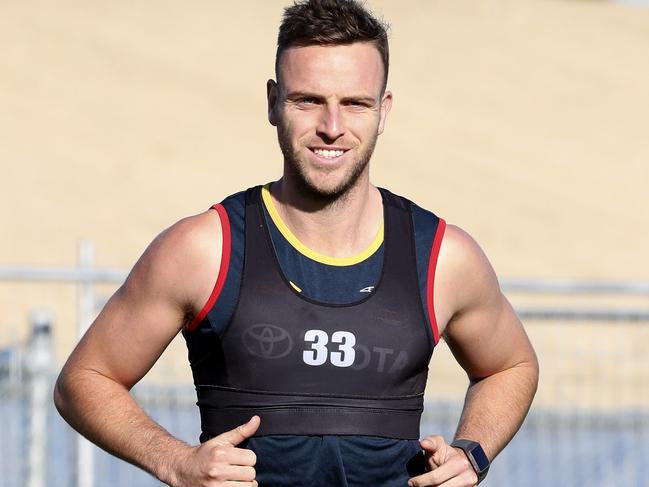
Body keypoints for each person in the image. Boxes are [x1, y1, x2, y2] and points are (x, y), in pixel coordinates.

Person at [54, 0, 539, 485]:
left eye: (355, 103)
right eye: (307, 100)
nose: (332, 126)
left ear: (384, 110)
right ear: (272, 102)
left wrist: (472, 453)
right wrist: (175, 461)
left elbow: (511, 366)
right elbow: (85, 380)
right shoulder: (206, 249)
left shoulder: (440, 257)